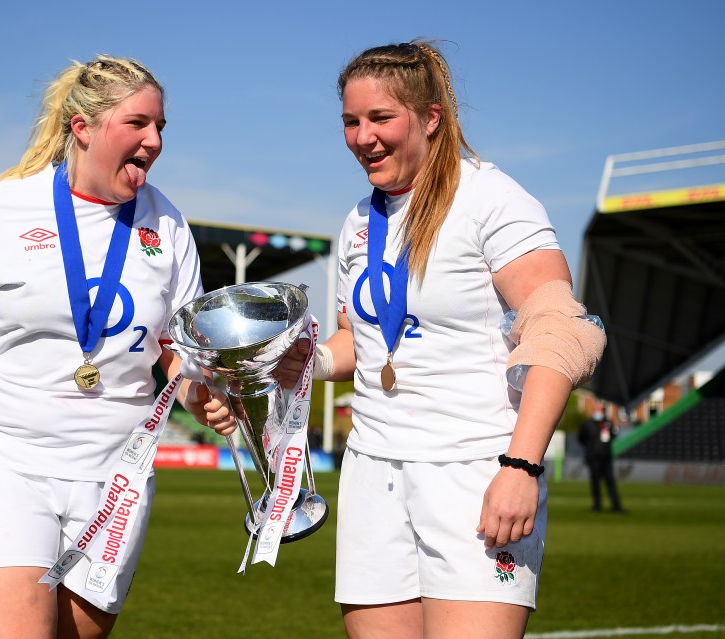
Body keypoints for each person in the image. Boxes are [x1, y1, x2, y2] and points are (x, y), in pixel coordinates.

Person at [220, 40, 607, 638]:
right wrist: (305, 361)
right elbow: (363, 344)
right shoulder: (359, 220)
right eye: (351, 121)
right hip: (374, 470)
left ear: (430, 118)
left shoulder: (491, 199)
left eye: (380, 118)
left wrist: (521, 466)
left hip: (475, 469)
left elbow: (560, 327)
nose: (362, 137)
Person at [0, 55, 233, 639]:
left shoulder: (169, 225)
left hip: (116, 480)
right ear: (82, 127)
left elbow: (177, 355)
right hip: (5, 463)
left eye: (160, 127)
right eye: (137, 124)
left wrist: (203, 392)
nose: (154, 141)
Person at [578, 404, 624, 512]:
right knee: (595, 482)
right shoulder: (587, 424)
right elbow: (581, 438)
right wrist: (590, 448)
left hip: (606, 457)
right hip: (593, 457)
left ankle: (616, 505)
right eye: (596, 408)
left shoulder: (607, 423)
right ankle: (597, 505)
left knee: (610, 482)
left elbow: (613, 436)